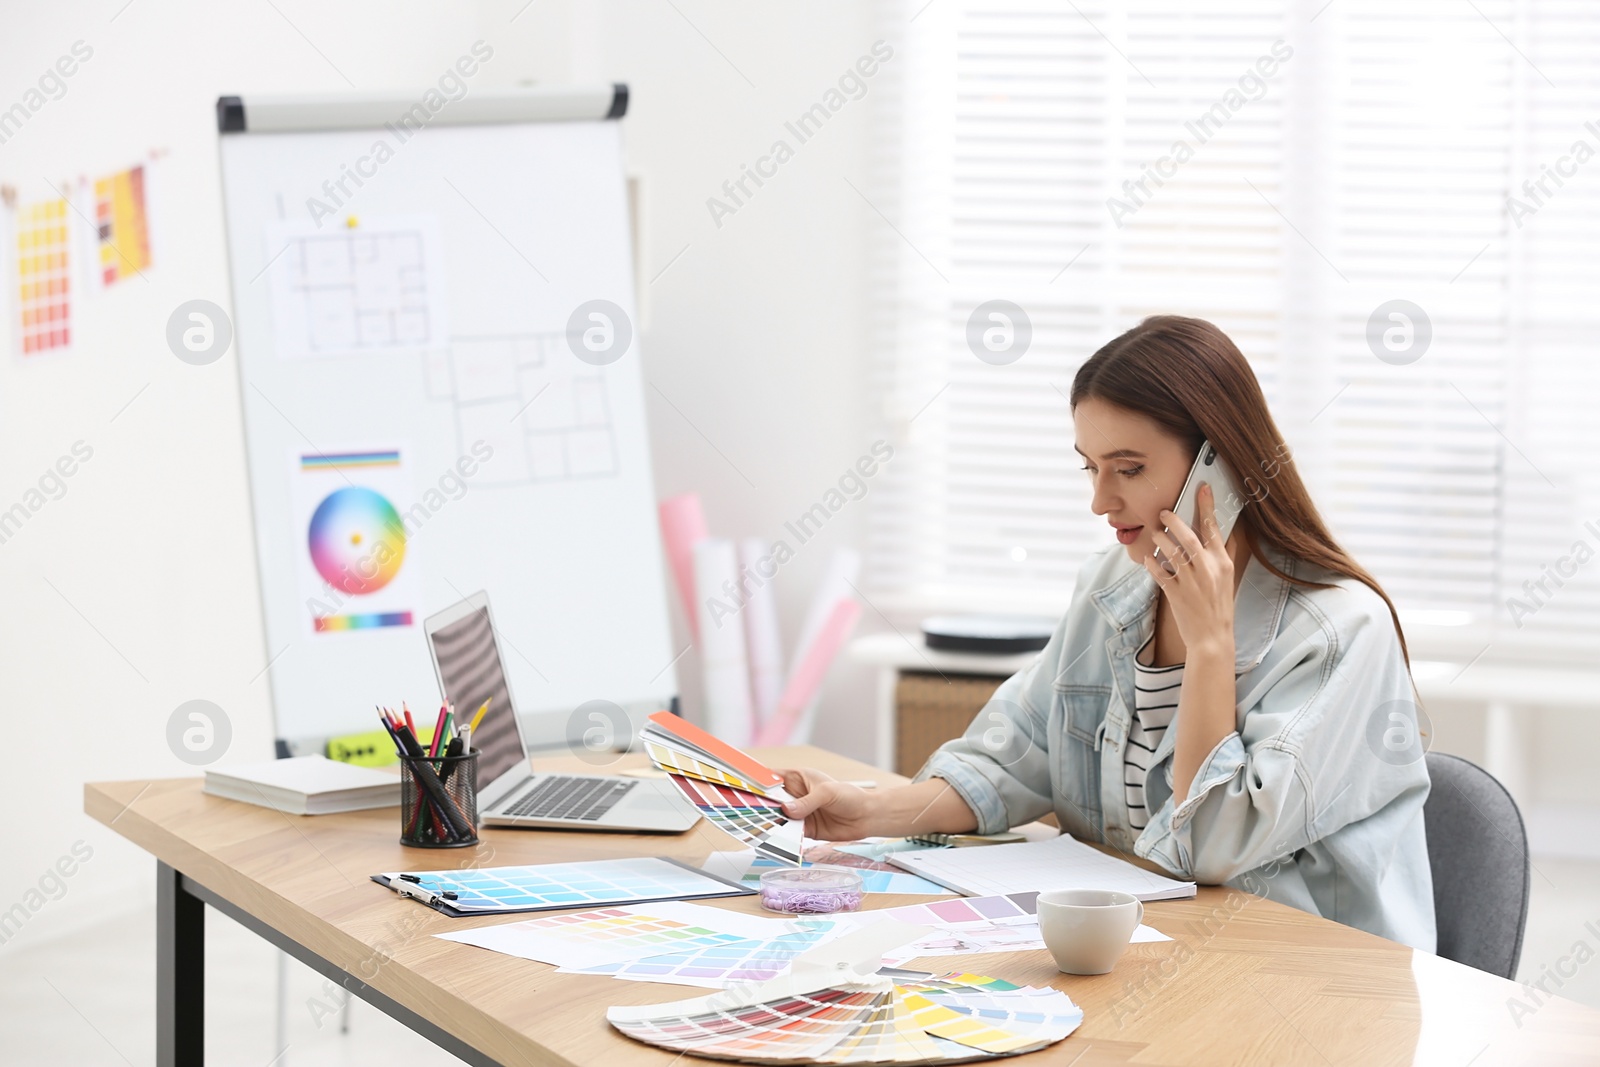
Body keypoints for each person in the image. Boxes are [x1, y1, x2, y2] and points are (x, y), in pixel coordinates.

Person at [778, 315, 1436, 951]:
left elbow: (1213, 847)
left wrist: (1210, 645)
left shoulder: (1342, 632)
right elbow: (1010, 755)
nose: (1101, 501)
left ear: (1222, 466)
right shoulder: (1112, 590)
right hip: (1152, 957)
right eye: (1089, 467)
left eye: (1128, 469)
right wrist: (870, 813)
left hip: (1301, 987)